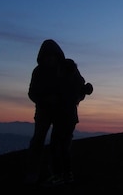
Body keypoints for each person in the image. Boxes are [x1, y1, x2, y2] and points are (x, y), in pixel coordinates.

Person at [45, 58, 93, 186]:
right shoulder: (74, 84)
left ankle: (58, 175)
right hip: (71, 118)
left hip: (62, 118)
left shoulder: (63, 84)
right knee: (64, 147)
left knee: (56, 146)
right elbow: (86, 89)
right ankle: (67, 174)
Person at [25, 39, 65, 185]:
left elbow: (77, 84)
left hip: (61, 111)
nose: (50, 59)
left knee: (58, 142)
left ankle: (56, 171)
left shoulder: (65, 68)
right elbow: (31, 93)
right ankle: (33, 172)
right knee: (38, 140)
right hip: (43, 112)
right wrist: (44, 100)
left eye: (52, 56)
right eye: (48, 56)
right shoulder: (38, 71)